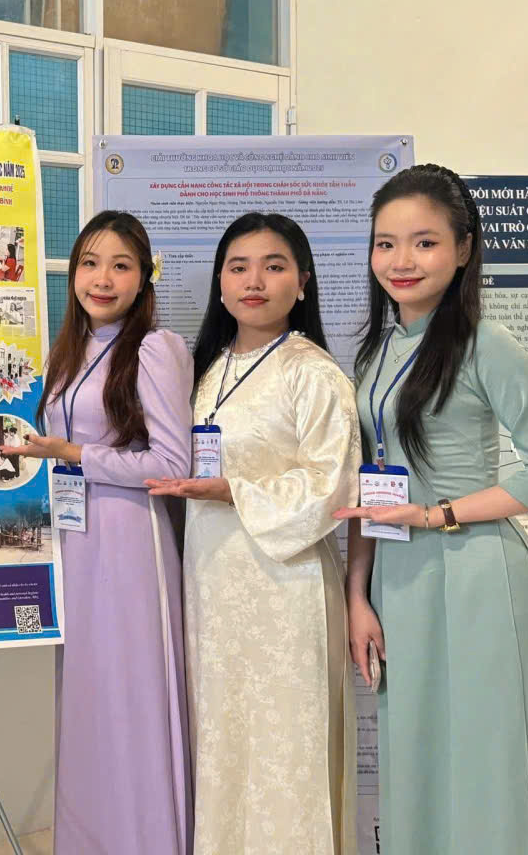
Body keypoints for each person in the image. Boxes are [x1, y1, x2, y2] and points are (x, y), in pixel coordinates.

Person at [336, 165, 528, 855]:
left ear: (464, 249)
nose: (402, 261)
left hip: (478, 574)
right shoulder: (377, 352)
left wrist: (435, 515)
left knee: (483, 755)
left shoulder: (485, 342)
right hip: (399, 579)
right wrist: (357, 596)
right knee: (416, 754)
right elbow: (371, 481)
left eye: (424, 243)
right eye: (386, 243)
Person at [146, 212, 359, 854]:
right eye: (238, 267)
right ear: (220, 283)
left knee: (286, 746)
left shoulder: (313, 373)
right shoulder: (205, 371)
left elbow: (333, 486)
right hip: (212, 586)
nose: (254, 281)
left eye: (274, 266)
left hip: (286, 590)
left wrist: (232, 490)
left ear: (303, 282)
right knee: (224, 742)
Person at [1, 210, 193, 853]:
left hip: (128, 539)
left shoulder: (154, 350)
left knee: (130, 695)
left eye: (120, 266)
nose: (102, 279)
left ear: (143, 279)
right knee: (87, 698)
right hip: (74, 537)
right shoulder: (68, 349)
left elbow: (172, 465)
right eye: (90, 263)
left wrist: (77, 455)